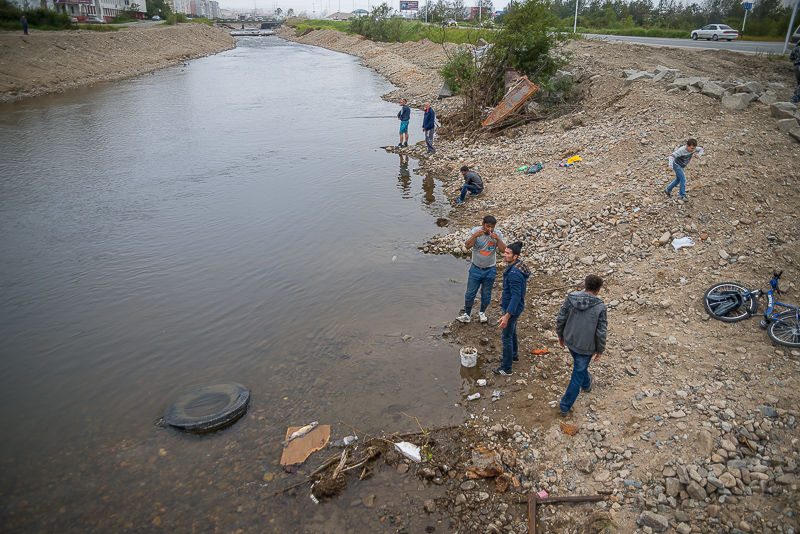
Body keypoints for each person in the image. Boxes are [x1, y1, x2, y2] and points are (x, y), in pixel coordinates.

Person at [555, 274, 607, 416]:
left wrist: (560, 335)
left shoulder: (571, 298)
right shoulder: (600, 307)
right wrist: (600, 349)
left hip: (571, 341)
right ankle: (565, 406)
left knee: (580, 367)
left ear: (584, 285)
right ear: (599, 290)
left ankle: (587, 384)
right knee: (577, 374)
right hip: (586, 347)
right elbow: (601, 331)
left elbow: (561, 317)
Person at [456, 215, 506, 324]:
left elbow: (503, 250)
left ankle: (482, 312)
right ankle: (467, 314)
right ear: (482, 224)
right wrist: (474, 236)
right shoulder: (475, 231)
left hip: (490, 269)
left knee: (486, 293)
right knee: (470, 292)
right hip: (475, 269)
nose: (490, 229)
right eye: (488, 226)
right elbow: (467, 246)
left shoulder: (498, 234)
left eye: (492, 227)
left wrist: (497, 238)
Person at [493, 241, 530, 376]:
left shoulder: (514, 272)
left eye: (507, 253)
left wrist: (506, 316)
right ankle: (513, 355)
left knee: (506, 337)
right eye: (505, 252)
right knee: (512, 332)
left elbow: (516, 296)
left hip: (512, 308)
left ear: (515, 256)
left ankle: (506, 368)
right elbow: (516, 290)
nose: (504, 255)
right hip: (515, 307)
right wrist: (505, 291)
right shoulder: (517, 266)